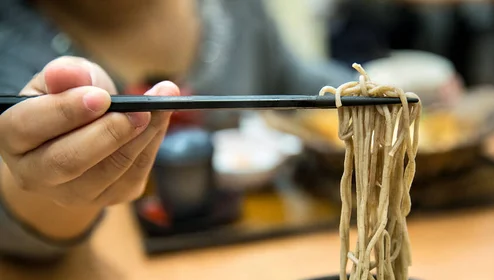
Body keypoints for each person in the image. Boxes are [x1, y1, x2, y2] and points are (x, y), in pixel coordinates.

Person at [0, 0, 352, 262]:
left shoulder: (236, 9)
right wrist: (52, 178)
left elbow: (308, 88)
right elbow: (13, 222)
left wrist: (386, 88)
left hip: (256, 254)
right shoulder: (12, 40)